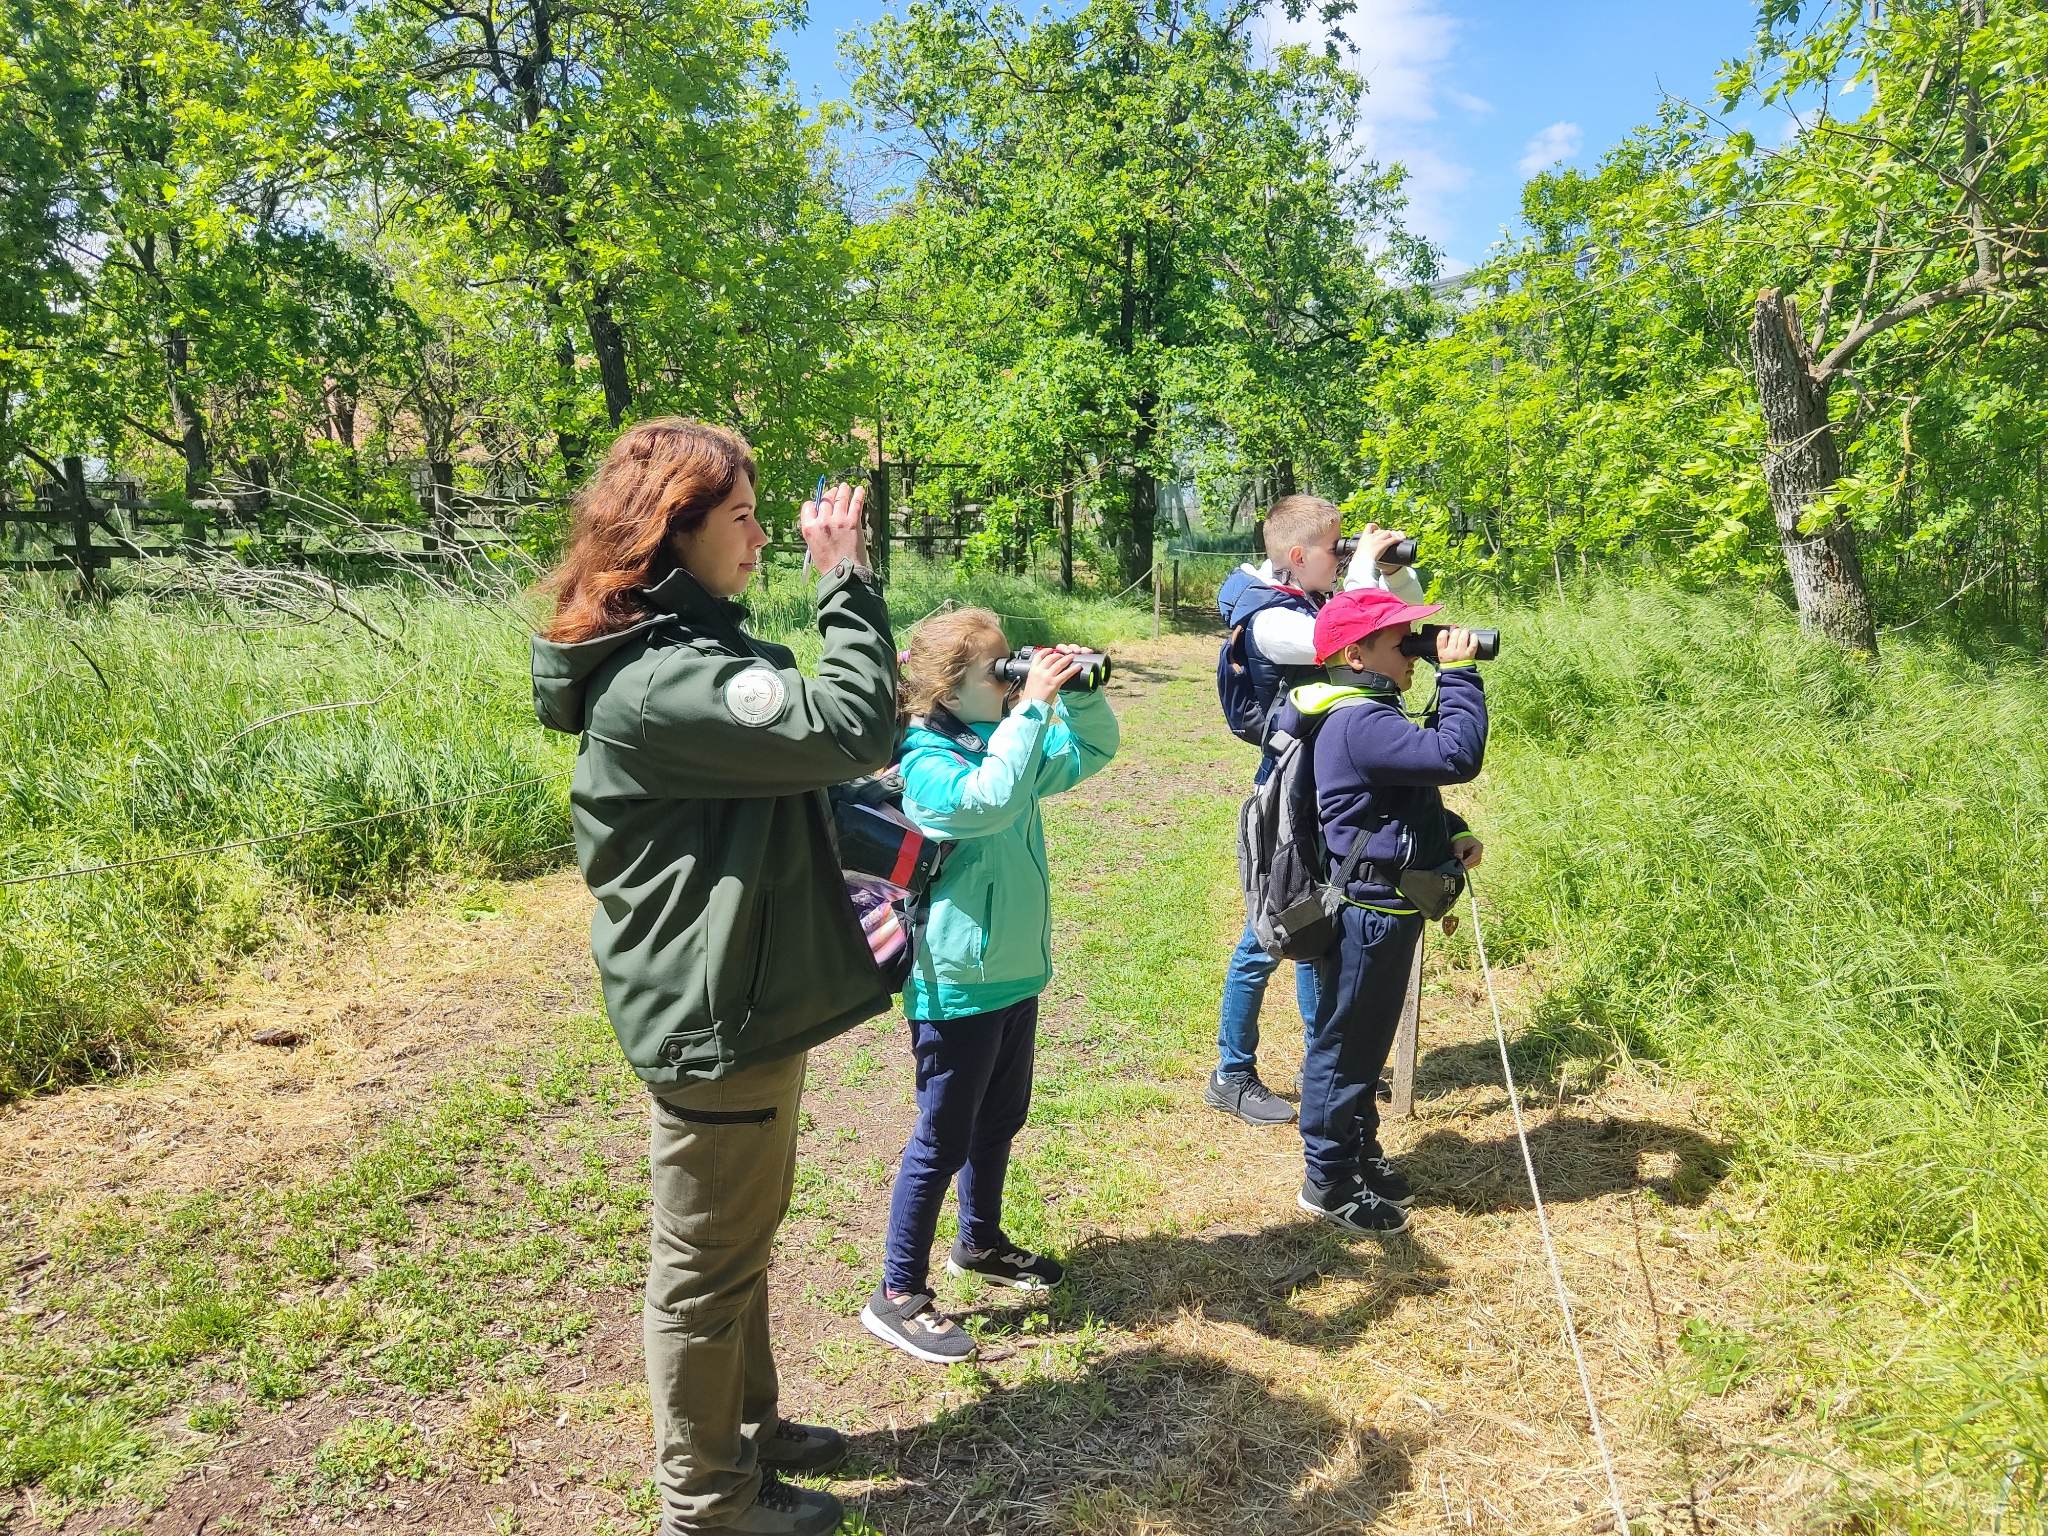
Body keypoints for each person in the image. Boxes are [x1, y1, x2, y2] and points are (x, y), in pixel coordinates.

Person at [530, 419, 895, 1536]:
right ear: (670, 529)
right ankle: (704, 1501)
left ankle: (751, 1431)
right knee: (700, 1272)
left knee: (739, 1242)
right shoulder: (659, 683)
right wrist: (847, 581)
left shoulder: (688, 655)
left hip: (739, 998)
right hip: (711, 1013)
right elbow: (850, 726)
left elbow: (808, 771)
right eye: (738, 515)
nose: (759, 534)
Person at [857, 609, 1120, 1364]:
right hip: (957, 981)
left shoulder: (994, 734)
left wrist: (1079, 693)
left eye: (1014, 668)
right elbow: (990, 800)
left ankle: (981, 1243)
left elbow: (1091, 749)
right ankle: (897, 1291)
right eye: (996, 674)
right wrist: (1032, 704)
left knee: (999, 1119)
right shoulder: (926, 762)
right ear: (946, 686)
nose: (1011, 682)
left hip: (1009, 971)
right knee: (940, 1136)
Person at [1207, 496, 1429, 1127]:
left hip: (1332, 785)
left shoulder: (1304, 593)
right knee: (1271, 932)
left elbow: (1389, 617)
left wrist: (1388, 568)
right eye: (1336, 550)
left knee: (1320, 926)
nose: (1343, 560)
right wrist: (1361, 570)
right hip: (1290, 796)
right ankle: (1232, 1071)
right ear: (1299, 555)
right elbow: (1348, 632)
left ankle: (1321, 1056)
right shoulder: (1270, 620)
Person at [1279, 585, 1487, 1234]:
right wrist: (1460, 676)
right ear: (1356, 655)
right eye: (1402, 642)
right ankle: (1329, 1178)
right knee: (1344, 1051)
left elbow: (1391, 797)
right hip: (1366, 914)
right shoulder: (1360, 719)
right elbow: (1455, 756)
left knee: (1364, 1047)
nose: (1417, 651)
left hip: (1384, 907)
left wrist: (1446, 830)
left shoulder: (1366, 712)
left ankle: (1359, 1148)